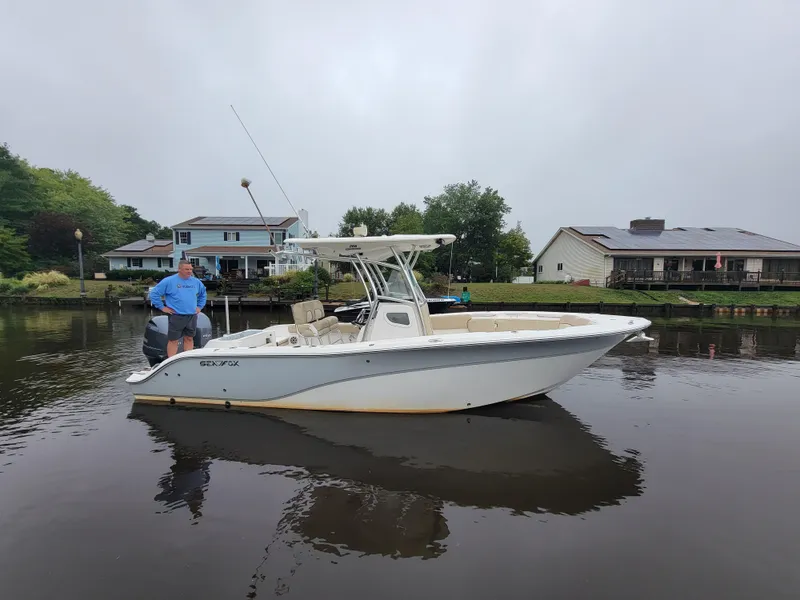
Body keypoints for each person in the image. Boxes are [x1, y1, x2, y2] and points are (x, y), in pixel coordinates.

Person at [149, 260, 207, 357]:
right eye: (186, 269)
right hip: (176, 316)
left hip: (192, 315)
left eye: (190, 269)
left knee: (189, 338)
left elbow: (203, 294)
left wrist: (200, 306)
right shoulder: (169, 281)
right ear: (179, 269)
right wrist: (162, 307)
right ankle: (171, 361)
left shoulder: (196, 282)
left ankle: (187, 359)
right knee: (173, 340)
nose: (189, 271)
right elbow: (154, 294)